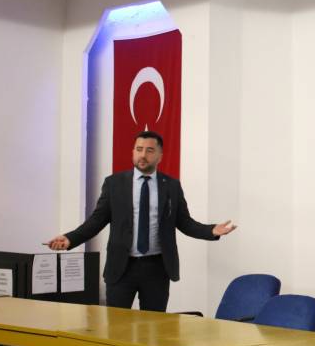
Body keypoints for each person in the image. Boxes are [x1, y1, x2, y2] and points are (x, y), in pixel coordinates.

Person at [47, 130, 236, 311]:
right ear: (133, 152)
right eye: (139, 149)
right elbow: (96, 221)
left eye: (149, 150)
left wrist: (211, 231)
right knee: (116, 326)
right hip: (121, 267)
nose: (143, 155)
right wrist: (70, 238)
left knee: (154, 326)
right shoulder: (114, 184)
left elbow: (184, 222)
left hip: (157, 268)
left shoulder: (171, 186)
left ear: (160, 156)